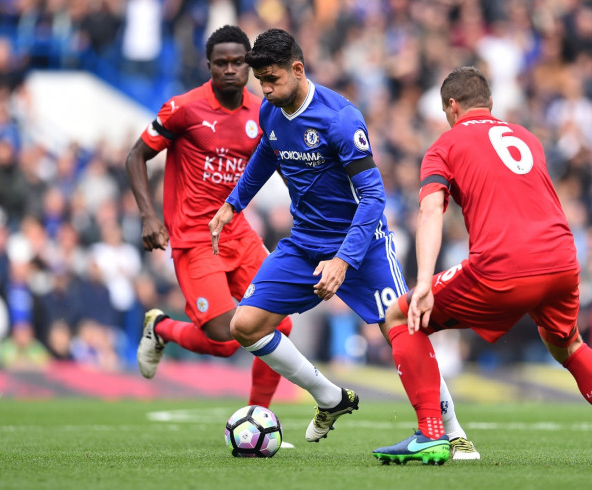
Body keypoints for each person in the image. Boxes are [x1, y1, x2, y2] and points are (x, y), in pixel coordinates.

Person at [209, 29, 478, 458]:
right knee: (245, 325)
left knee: (402, 330)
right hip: (303, 244)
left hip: (362, 246)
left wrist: (343, 260)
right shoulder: (271, 111)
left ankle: (453, 430)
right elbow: (267, 152)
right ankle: (330, 397)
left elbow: (374, 196)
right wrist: (233, 203)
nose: (266, 89)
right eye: (261, 81)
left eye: (273, 79)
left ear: (298, 69)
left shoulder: (339, 117)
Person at [372, 67, 592, 466]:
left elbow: (431, 209)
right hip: (561, 259)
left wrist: (423, 280)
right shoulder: (526, 137)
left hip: (504, 265)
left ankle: (431, 435)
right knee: (568, 343)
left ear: (451, 108)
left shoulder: (445, 144)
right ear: (490, 104)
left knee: (401, 316)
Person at [125, 26, 295, 420]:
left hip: (238, 232)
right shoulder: (183, 108)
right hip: (195, 238)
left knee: (279, 325)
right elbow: (135, 156)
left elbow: (283, 165)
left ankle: (258, 419)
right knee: (223, 340)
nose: (231, 69)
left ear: (250, 65)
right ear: (209, 66)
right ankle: (162, 327)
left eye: (238, 62)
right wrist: (149, 215)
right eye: (222, 63)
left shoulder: (262, 111)